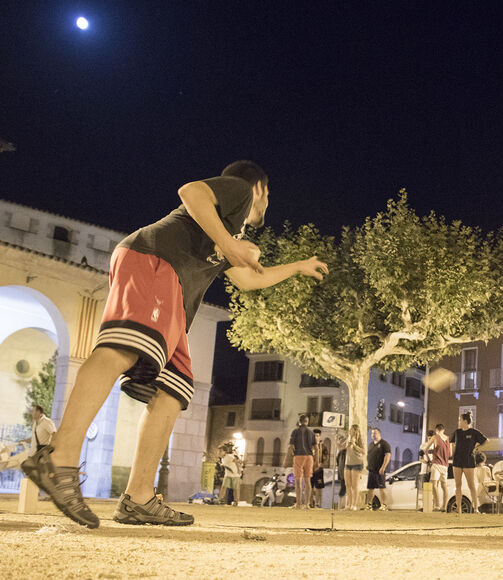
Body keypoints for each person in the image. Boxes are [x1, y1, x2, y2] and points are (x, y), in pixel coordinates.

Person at [21, 160, 328, 528]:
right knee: (121, 349)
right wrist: (229, 243)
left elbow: (249, 280)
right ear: (259, 187)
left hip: (174, 298)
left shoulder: (225, 228)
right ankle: (60, 458)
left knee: (173, 389)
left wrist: (295, 267)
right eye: (268, 194)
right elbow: (191, 192)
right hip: (154, 260)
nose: (266, 201)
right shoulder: (239, 190)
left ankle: (138, 497)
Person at [451, 412, 487, 514]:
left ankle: (475, 508)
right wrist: (453, 455)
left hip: (468, 460)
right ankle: (458, 509)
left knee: (471, 485)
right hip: (457, 461)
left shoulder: (474, 432)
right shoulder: (457, 432)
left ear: (465, 421)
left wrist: (476, 448)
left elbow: (486, 441)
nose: (458, 422)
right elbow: (452, 444)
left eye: (460, 420)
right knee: (458, 485)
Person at [286, 414, 317, 510]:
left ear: (299, 421)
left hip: (299, 456)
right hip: (309, 457)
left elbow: (291, 446)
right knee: (307, 481)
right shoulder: (311, 433)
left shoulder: (295, 431)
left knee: (298, 481)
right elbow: (316, 448)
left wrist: (287, 459)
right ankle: (307, 504)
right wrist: (316, 460)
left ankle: (299, 504)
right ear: (307, 422)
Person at [422, 423, 450, 511]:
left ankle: (437, 505)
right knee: (444, 486)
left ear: (436, 430)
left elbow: (425, 449)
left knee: (434, 485)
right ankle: (444, 506)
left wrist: (428, 455)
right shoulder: (447, 438)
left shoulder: (435, 437)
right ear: (443, 430)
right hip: (445, 465)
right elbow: (450, 454)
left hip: (436, 463)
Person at [365, 428, 391, 511]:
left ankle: (384, 505)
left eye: (375, 433)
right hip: (371, 470)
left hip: (380, 470)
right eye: (372, 433)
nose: (373, 435)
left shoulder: (384, 444)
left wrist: (383, 467)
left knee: (381, 488)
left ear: (379, 433)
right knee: (370, 489)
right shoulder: (371, 444)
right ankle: (369, 505)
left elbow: (387, 456)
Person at [342, 424, 365, 510]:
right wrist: (336, 440)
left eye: (351, 429)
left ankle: (354, 505)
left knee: (354, 486)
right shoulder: (348, 439)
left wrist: (354, 445)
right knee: (347, 485)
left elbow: (363, 451)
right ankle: (349, 504)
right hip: (347, 464)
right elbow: (341, 447)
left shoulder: (360, 440)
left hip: (357, 464)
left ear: (355, 431)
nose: (349, 431)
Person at [310, 429, 328, 508]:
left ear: (320, 436)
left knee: (319, 487)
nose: (315, 437)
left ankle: (317, 503)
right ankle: (310, 502)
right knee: (309, 487)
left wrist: (322, 464)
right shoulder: (309, 446)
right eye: (314, 436)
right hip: (310, 470)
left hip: (319, 470)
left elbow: (326, 457)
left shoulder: (323, 446)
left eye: (317, 436)